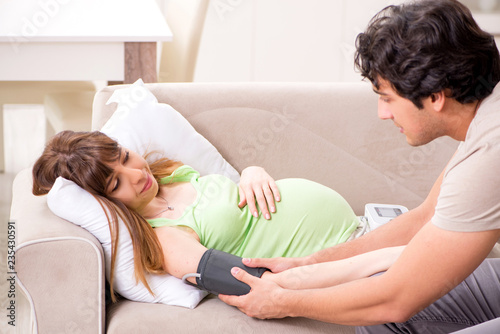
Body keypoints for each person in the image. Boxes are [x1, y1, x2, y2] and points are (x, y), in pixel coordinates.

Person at [219, 0, 500, 333]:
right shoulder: (485, 118)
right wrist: (307, 265)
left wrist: (280, 301)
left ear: (436, 95)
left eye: (387, 97)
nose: (383, 113)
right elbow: (424, 218)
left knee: (381, 310)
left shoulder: (489, 153)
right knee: (376, 315)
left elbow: (395, 300)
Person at [32, 130, 398, 300]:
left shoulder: (170, 175)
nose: (137, 174)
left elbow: (239, 199)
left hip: (371, 229)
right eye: (115, 184)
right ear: (106, 204)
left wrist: (252, 172)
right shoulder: (165, 238)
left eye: (126, 157)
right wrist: (368, 262)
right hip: (359, 264)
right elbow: (249, 282)